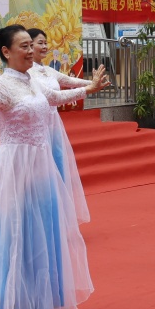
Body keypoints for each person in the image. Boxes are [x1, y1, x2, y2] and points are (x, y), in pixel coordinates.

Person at [0, 25, 105, 309]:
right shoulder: (0, 86)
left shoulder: (34, 78)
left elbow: (53, 97)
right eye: (23, 46)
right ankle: (11, 304)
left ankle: (39, 298)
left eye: (31, 45)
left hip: (41, 164)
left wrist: (88, 90)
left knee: (43, 228)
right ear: (6, 52)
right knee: (16, 231)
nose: (30, 51)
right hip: (15, 167)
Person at [28, 27, 107, 224]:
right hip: (37, 125)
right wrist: (89, 88)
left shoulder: (49, 70)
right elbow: (54, 97)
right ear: (28, 46)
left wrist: (92, 82)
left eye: (46, 42)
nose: (45, 46)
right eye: (40, 43)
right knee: (41, 173)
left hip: (54, 125)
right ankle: (40, 219)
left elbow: (70, 81)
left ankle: (58, 217)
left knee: (58, 167)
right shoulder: (26, 73)